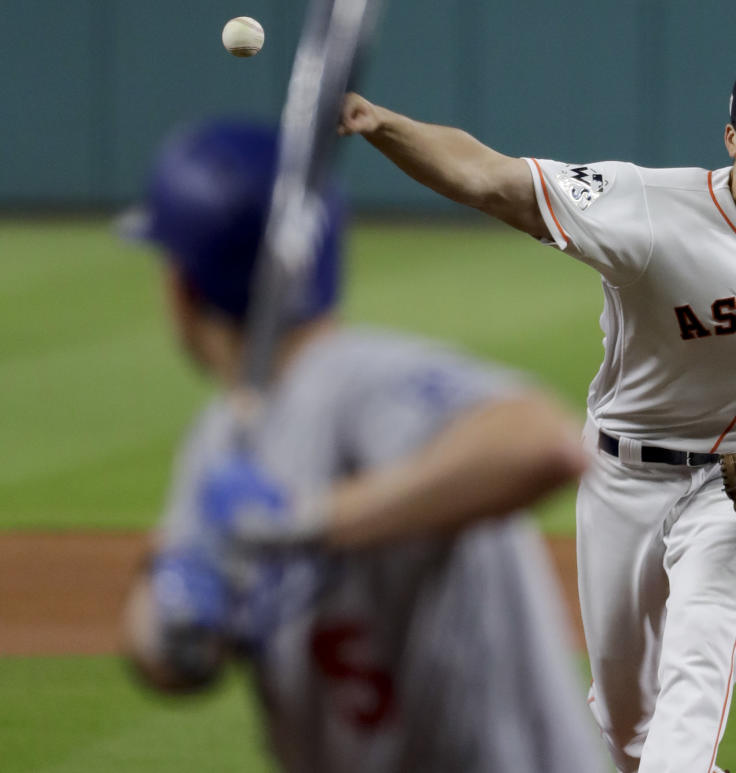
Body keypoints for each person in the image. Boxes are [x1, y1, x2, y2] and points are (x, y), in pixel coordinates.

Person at [338, 59, 736, 773]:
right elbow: (491, 178)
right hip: (622, 477)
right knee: (623, 726)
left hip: (734, 488)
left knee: (701, 646)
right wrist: (381, 125)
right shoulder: (648, 205)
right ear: (730, 137)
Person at [121, 119, 608, 773]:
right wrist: (172, 608)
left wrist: (310, 518)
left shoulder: (358, 381)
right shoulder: (220, 442)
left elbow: (542, 444)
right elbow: (171, 661)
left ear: (185, 289)